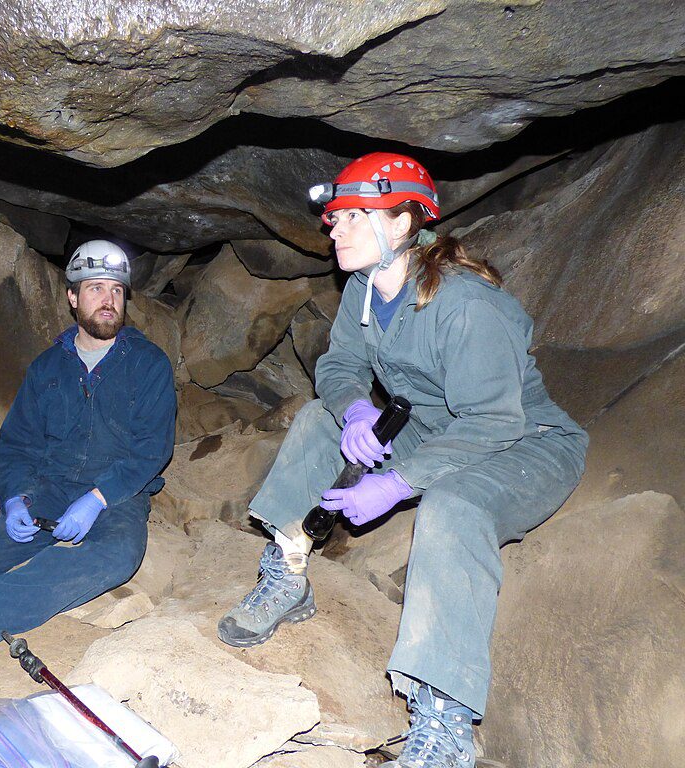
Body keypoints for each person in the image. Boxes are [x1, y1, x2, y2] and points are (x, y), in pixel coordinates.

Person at [216, 153, 587, 767]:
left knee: (451, 507)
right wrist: (356, 408)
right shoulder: (364, 289)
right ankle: (285, 573)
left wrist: (395, 484)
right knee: (318, 421)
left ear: (398, 225)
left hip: (529, 443)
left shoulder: (465, 305)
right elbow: (338, 367)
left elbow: (495, 420)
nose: (332, 228)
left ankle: (444, 725)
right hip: (440, 429)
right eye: (333, 216)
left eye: (349, 215)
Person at [0, 239, 176, 679]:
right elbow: (19, 444)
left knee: (119, 555)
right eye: (96, 288)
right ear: (72, 297)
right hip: (52, 488)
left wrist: (97, 499)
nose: (108, 300)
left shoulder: (148, 363)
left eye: (116, 290)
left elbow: (152, 449)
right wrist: (16, 500)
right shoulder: (47, 368)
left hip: (118, 495)